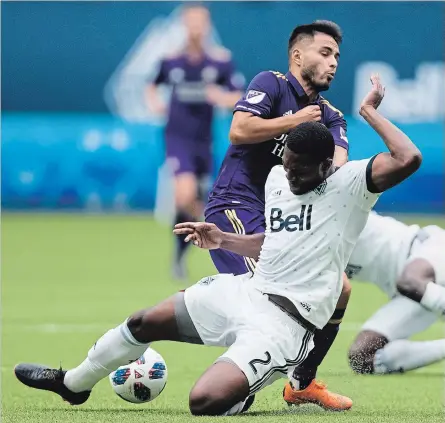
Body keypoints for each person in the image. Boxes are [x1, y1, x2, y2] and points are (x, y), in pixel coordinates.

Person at [14, 75, 422, 416]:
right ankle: (72, 384)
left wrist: (368, 112)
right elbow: (274, 242)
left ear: (323, 166)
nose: (289, 174)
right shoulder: (278, 179)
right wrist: (223, 238)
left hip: (286, 326)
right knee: (143, 322)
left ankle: (255, 386)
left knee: (203, 402)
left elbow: (408, 157)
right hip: (248, 292)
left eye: (299, 169)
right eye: (287, 163)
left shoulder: (351, 183)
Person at [205, 20, 352, 410]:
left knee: (340, 288)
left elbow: (336, 165)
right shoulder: (270, 84)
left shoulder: (332, 116)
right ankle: (234, 377)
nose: (333, 62)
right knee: (270, 300)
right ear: (297, 55)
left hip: (283, 223)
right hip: (236, 207)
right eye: (325, 53)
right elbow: (239, 129)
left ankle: (302, 382)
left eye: (337, 55)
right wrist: (295, 122)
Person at [146, 4, 243, 279]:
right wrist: (154, 104)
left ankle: (179, 255)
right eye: (191, 23)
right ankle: (219, 234)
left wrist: (219, 97)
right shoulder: (171, 61)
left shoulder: (220, 61)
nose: (196, 28)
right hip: (177, 138)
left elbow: (238, 96)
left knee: (193, 201)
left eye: (201, 23)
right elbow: (151, 85)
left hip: (205, 141)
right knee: (185, 193)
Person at [346, 211, 445, 374]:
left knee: (411, 281)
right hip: (410, 295)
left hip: (426, 251)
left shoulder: (334, 211)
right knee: (361, 358)